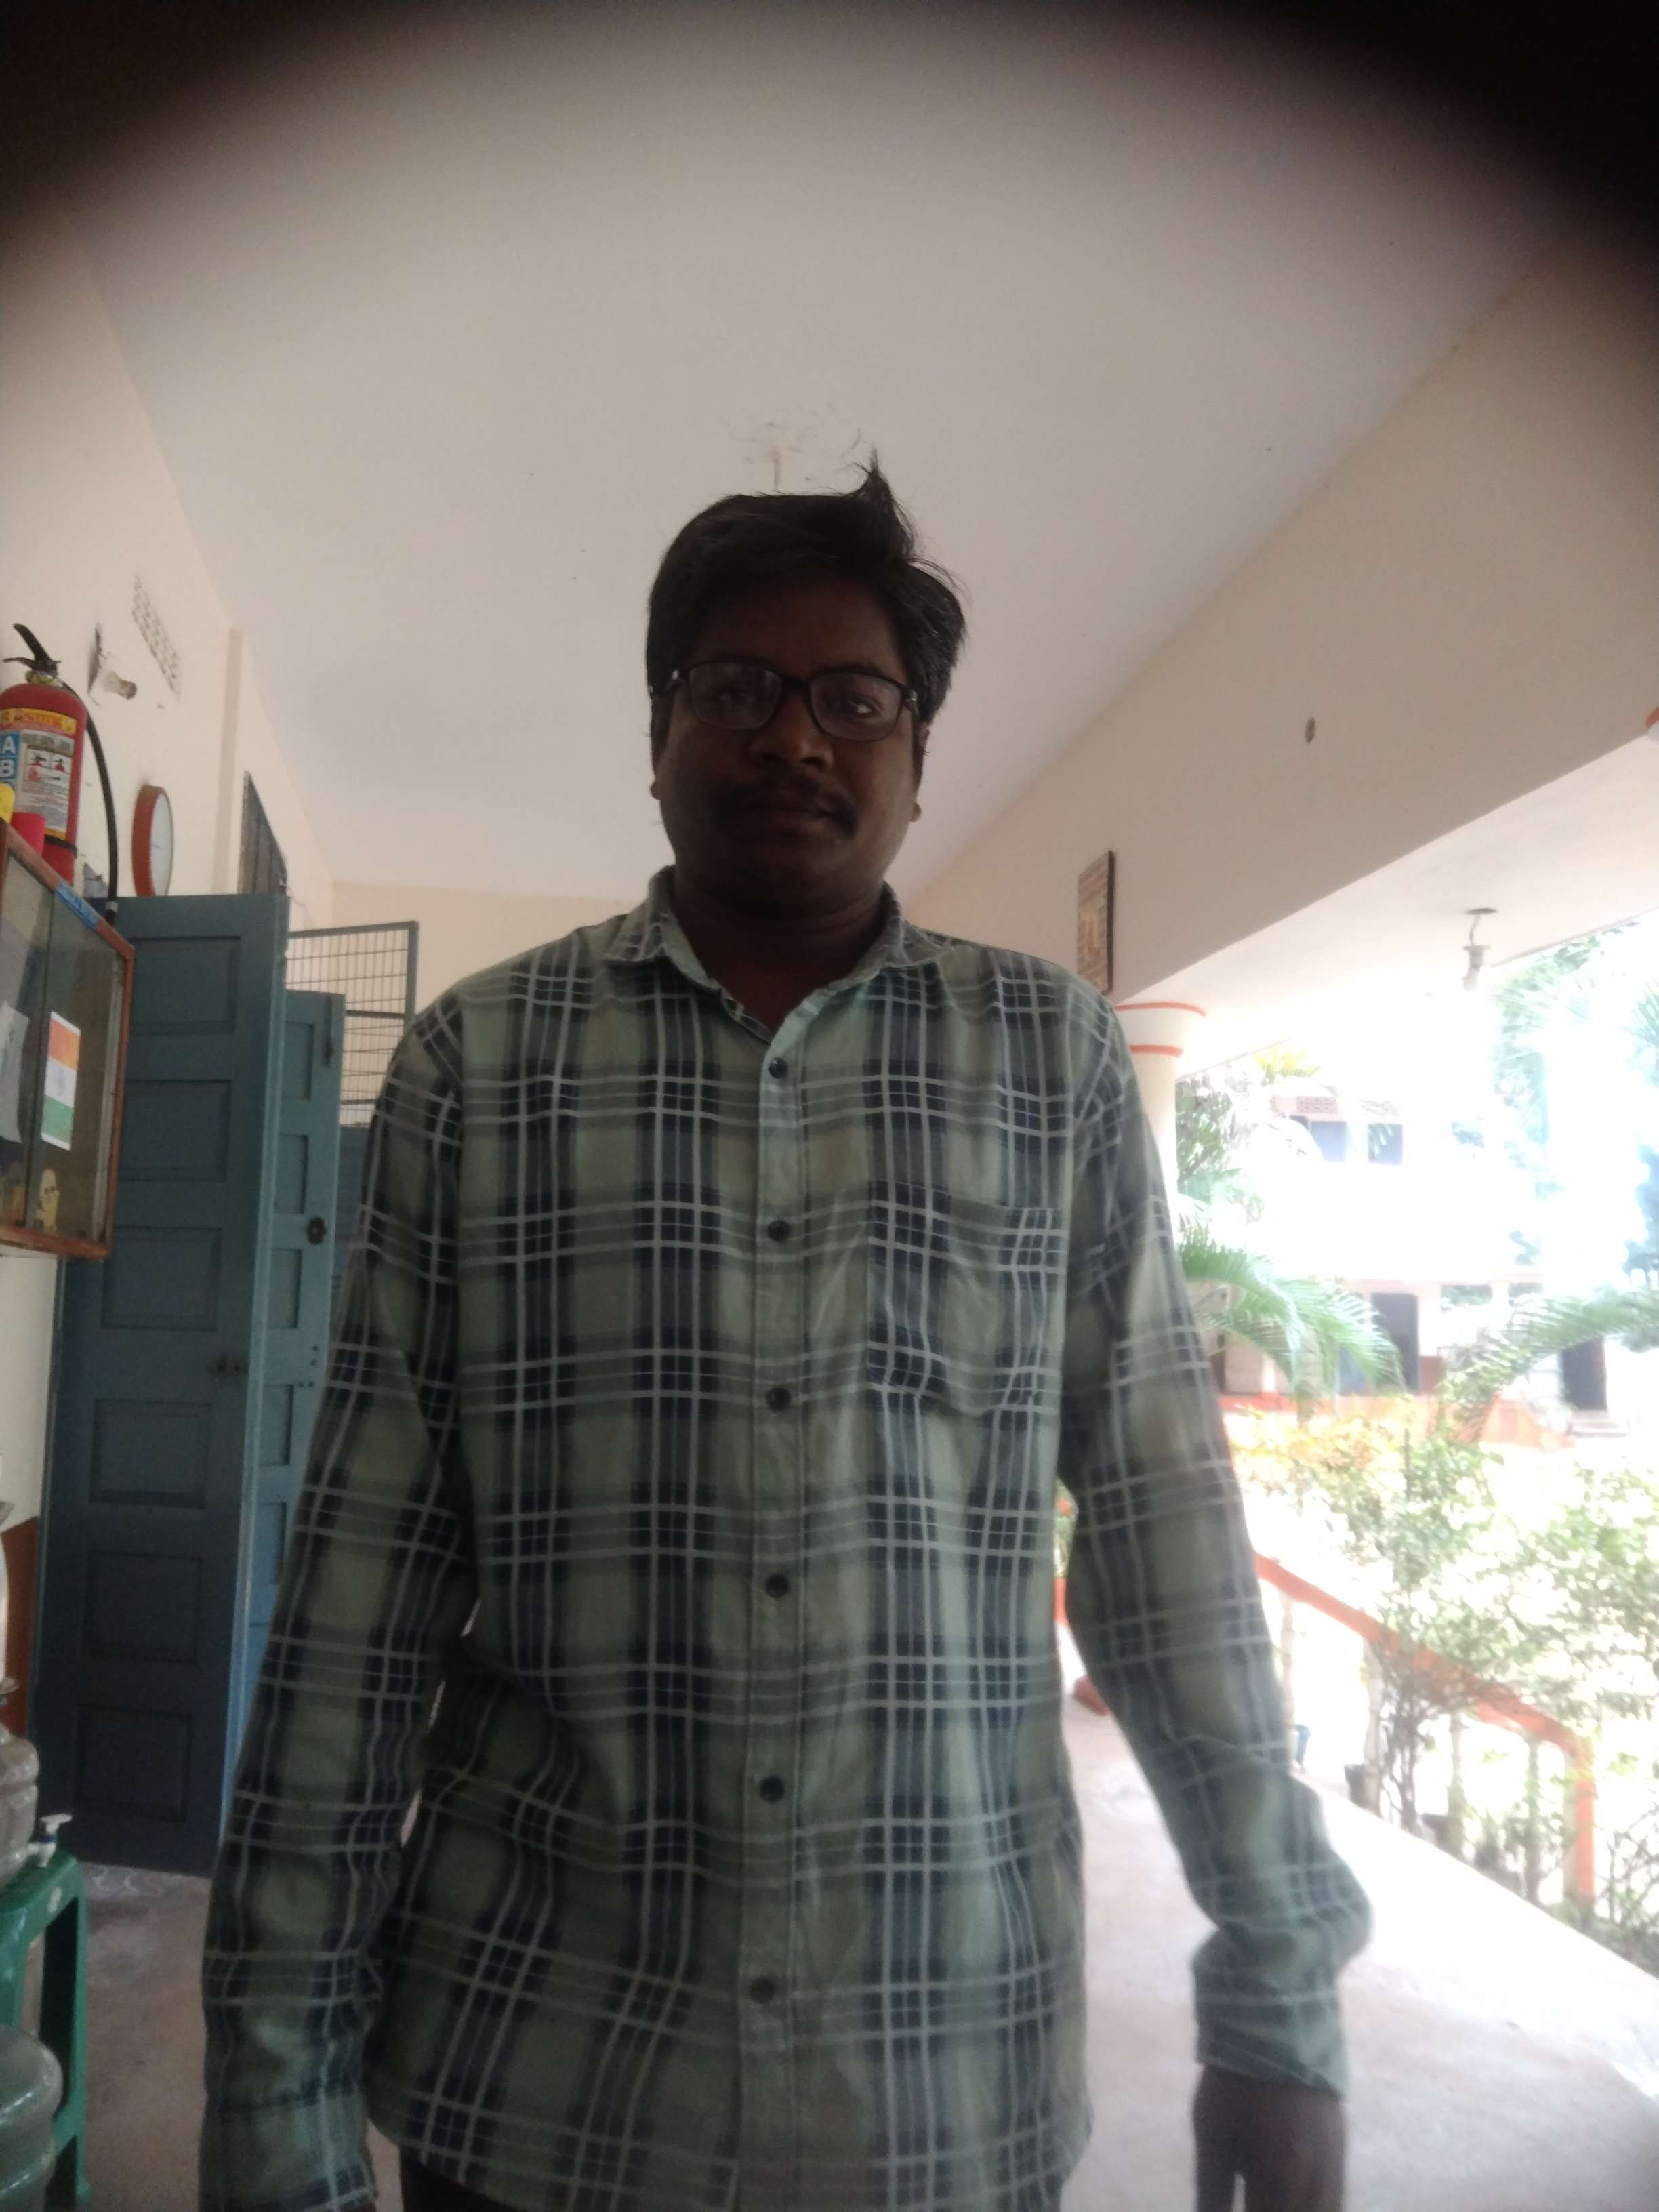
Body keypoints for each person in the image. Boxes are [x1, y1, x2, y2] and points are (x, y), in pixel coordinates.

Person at [201, 463, 1369, 2212]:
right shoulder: (480, 1069)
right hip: (535, 2076)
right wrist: (274, 2100)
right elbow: (357, 1608)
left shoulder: (1049, 1065)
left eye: (855, 699)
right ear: (658, 731)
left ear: (918, 754)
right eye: (738, 687)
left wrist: (1280, 2001)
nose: (796, 739)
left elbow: (1165, 1545)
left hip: (942, 2087)